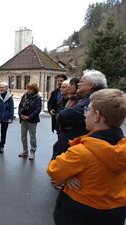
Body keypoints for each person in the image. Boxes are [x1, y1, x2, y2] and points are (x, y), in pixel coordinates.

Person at [47, 89, 126, 225]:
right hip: (115, 212)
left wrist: (66, 176)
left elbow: (54, 169)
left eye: (87, 110)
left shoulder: (80, 152)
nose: (85, 114)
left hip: (79, 212)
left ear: (96, 116)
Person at [52, 69, 107, 159]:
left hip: (74, 153)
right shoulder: (88, 99)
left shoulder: (92, 101)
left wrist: (62, 120)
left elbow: (64, 116)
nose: (78, 84)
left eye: (81, 81)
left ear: (91, 85)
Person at [18, 83, 42, 159]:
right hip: (23, 119)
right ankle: (25, 151)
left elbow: (38, 110)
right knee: (23, 136)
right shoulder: (24, 96)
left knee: (32, 136)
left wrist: (29, 117)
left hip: (32, 120)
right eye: (28, 88)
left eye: (31, 89)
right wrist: (20, 114)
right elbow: (20, 106)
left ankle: (32, 151)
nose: (28, 90)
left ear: (34, 90)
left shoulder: (37, 98)